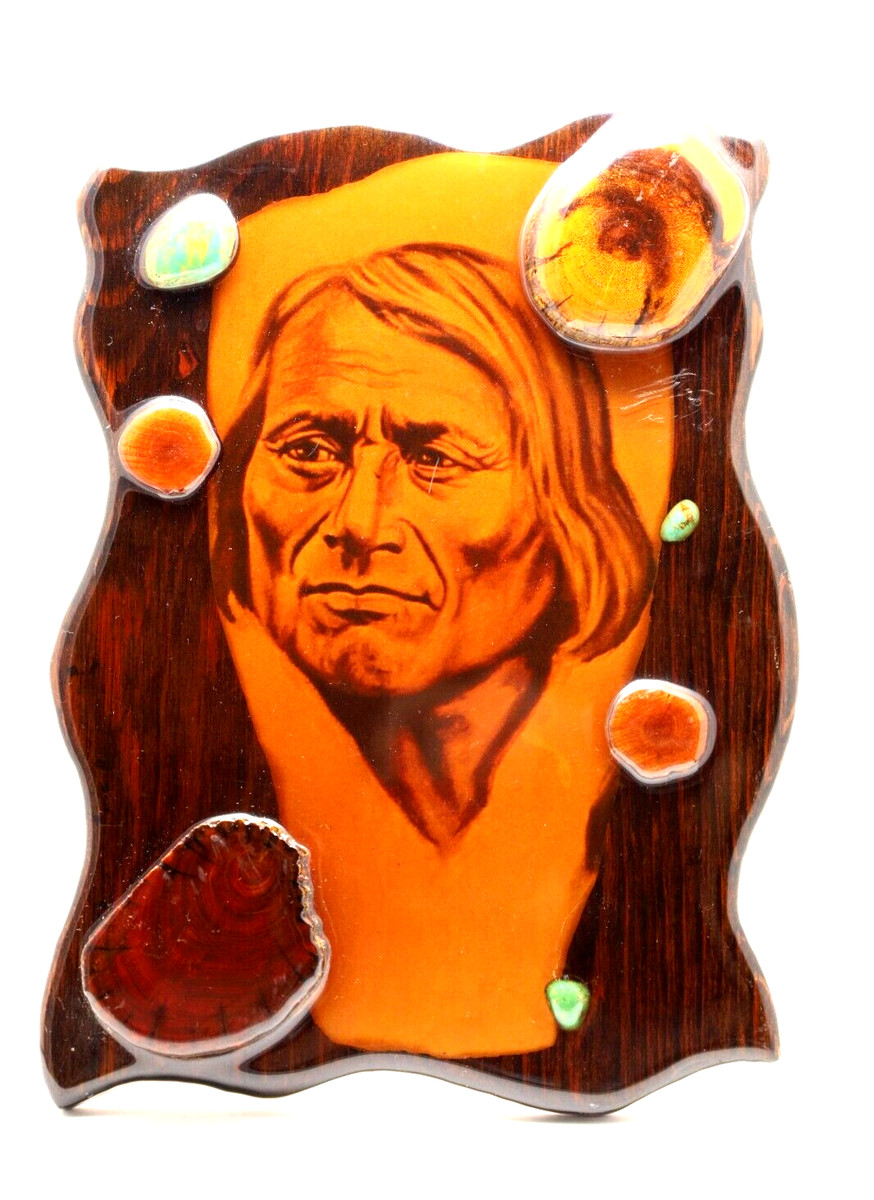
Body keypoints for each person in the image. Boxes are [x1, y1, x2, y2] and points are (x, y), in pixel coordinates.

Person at [206, 158, 675, 1059]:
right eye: (309, 450)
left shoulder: (614, 832)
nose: (359, 523)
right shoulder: (218, 754)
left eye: (435, 459)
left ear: (568, 507)